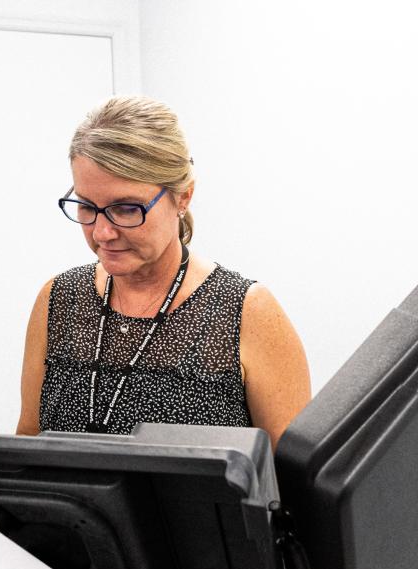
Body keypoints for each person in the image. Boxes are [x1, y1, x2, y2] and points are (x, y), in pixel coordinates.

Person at [17, 96, 310, 448]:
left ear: (182, 197)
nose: (102, 232)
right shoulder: (60, 299)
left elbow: (294, 482)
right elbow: (29, 446)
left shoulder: (244, 310)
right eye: (86, 206)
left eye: (125, 209)